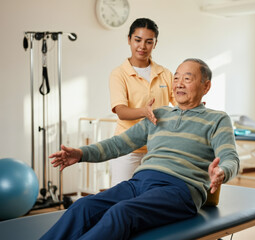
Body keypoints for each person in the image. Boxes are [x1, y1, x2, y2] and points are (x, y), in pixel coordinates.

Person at [41, 58, 240, 240]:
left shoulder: (217, 119)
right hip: (139, 182)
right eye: (176, 77)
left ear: (206, 86)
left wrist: (222, 171)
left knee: (121, 213)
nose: (179, 83)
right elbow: (118, 144)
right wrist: (81, 153)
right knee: (82, 207)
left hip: (179, 190)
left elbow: (230, 157)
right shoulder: (159, 114)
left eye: (187, 79)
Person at [109, 18, 176, 186]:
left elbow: (179, 102)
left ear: (155, 43)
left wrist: (194, 104)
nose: (142, 46)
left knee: (150, 197)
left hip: (157, 149)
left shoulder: (165, 73)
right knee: (121, 198)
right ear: (129, 40)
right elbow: (121, 111)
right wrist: (144, 112)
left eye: (149, 42)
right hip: (127, 148)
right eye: (137, 40)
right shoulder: (119, 74)